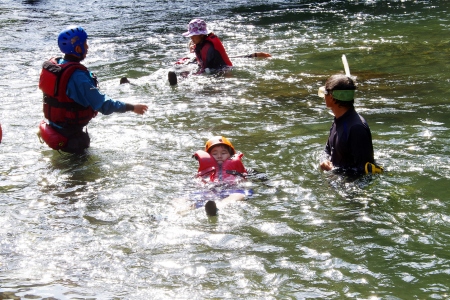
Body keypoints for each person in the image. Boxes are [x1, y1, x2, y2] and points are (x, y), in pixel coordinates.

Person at [38, 25, 148, 154]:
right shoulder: (78, 77)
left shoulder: (57, 65)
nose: (87, 47)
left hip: (55, 129)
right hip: (73, 140)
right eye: (85, 44)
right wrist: (132, 107)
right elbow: (104, 105)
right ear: (78, 48)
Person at [318, 74, 383, 175]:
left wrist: (335, 175)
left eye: (325, 93)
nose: (323, 97)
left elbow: (363, 172)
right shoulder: (339, 120)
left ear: (331, 97)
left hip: (350, 188)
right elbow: (327, 149)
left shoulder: (356, 128)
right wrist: (324, 160)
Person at [191, 136, 251, 215]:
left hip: (232, 189)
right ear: (208, 156)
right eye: (215, 153)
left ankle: (217, 207)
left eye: (223, 153)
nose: (219, 156)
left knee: (239, 195)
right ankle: (181, 211)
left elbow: (258, 175)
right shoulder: (203, 172)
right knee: (187, 198)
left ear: (231, 155)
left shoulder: (241, 170)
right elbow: (193, 183)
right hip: (209, 190)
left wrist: (267, 182)